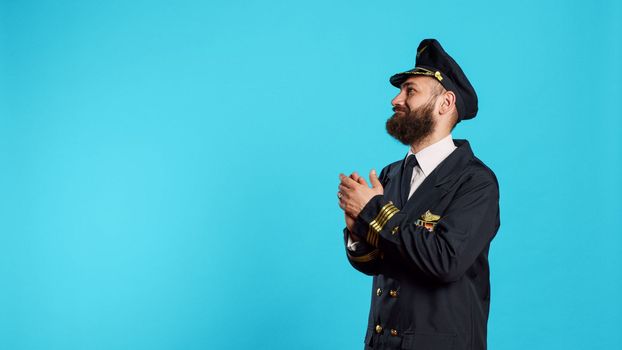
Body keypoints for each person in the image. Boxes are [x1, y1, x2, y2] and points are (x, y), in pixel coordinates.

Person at [337, 38, 501, 350]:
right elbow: (376, 263)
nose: (396, 100)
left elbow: (445, 261)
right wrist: (357, 229)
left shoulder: (476, 181)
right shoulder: (391, 174)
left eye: (410, 91)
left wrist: (372, 211)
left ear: (445, 103)